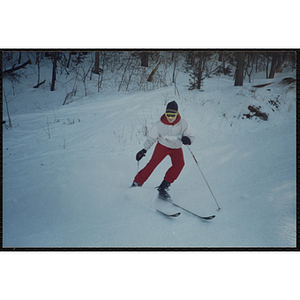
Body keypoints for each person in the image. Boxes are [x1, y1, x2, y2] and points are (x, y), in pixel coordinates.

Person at [131, 101, 195, 200]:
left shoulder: (183, 123)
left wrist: (188, 139)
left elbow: (191, 135)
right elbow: (151, 138)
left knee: (179, 164)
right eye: (168, 114)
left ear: (177, 113)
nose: (170, 117)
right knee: (152, 164)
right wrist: (144, 150)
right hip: (162, 146)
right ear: (165, 113)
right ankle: (137, 183)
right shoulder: (159, 124)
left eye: (172, 115)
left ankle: (163, 187)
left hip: (176, 148)